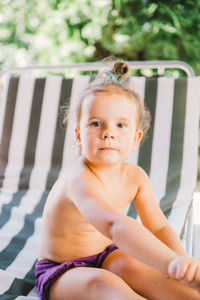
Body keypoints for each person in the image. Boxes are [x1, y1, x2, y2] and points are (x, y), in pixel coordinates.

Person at [35, 60, 200, 300]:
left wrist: (180, 265)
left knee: (153, 276)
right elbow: (115, 225)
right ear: (79, 135)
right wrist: (170, 262)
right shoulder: (79, 179)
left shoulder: (136, 177)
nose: (108, 132)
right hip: (62, 270)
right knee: (104, 284)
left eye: (121, 125)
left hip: (107, 255)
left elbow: (159, 226)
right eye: (96, 123)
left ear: (135, 138)